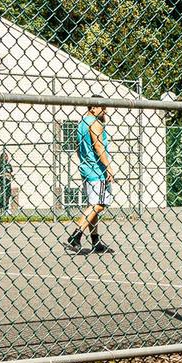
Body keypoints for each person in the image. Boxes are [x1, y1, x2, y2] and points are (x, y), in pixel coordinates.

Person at [66, 100, 114, 254]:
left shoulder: (81, 124)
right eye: (103, 108)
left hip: (87, 169)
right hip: (96, 170)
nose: (105, 111)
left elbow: (78, 147)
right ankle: (76, 235)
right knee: (98, 205)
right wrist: (108, 167)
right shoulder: (94, 123)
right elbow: (99, 146)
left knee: (93, 205)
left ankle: (95, 241)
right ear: (93, 108)